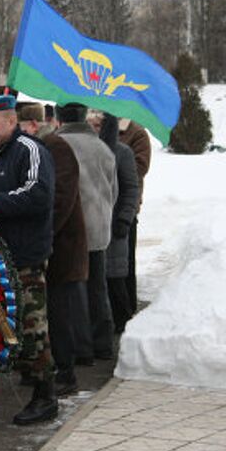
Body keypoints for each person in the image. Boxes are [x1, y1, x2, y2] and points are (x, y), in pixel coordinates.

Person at [0, 95, 57, 425]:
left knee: (31, 326)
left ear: (12, 121)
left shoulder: (30, 149)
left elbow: (38, 193)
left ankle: (44, 396)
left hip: (24, 257)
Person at [17, 102, 89, 397]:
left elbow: (60, 200)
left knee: (60, 315)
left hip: (61, 247)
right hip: (44, 247)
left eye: (20, 126)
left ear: (33, 125)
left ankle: (66, 373)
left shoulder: (55, 148)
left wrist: (39, 235)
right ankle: (41, 368)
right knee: (44, 315)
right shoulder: (34, 149)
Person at [56, 103, 118, 362]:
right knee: (98, 286)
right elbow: (113, 189)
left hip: (73, 226)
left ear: (59, 118)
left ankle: (82, 347)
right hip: (100, 225)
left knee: (74, 289)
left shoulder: (58, 145)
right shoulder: (102, 147)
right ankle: (103, 343)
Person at [95, 113, 139, 333]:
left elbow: (132, 188)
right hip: (93, 225)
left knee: (115, 279)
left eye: (98, 124)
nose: (94, 128)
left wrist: (124, 218)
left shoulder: (123, 153)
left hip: (115, 225)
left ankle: (123, 326)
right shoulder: (87, 150)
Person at [118, 118, 151, 317]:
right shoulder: (100, 127)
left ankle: (128, 308)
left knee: (126, 260)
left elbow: (141, 167)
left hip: (126, 205)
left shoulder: (137, 133)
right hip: (105, 204)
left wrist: (116, 157)